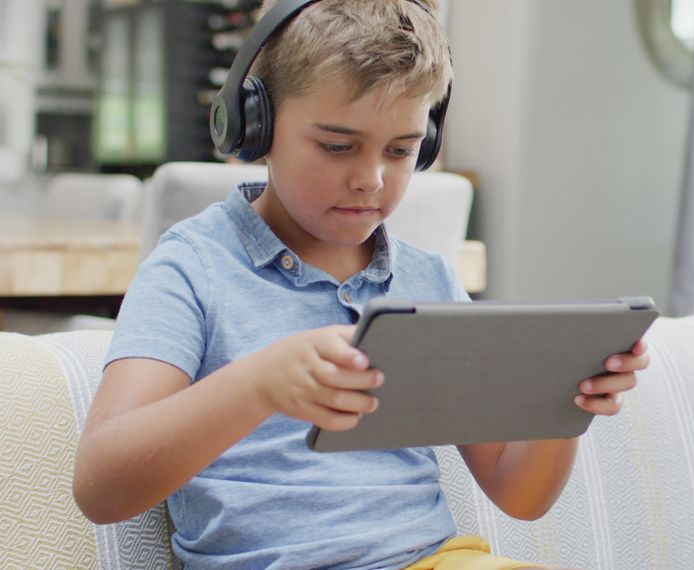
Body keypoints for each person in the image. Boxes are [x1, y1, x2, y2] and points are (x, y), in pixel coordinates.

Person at [72, 1, 650, 569]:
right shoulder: (193, 267)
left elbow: (517, 495)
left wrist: (561, 403)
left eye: (402, 150)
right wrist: (260, 385)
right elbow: (101, 486)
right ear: (256, 126)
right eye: (337, 146)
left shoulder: (429, 278)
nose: (371, 179)